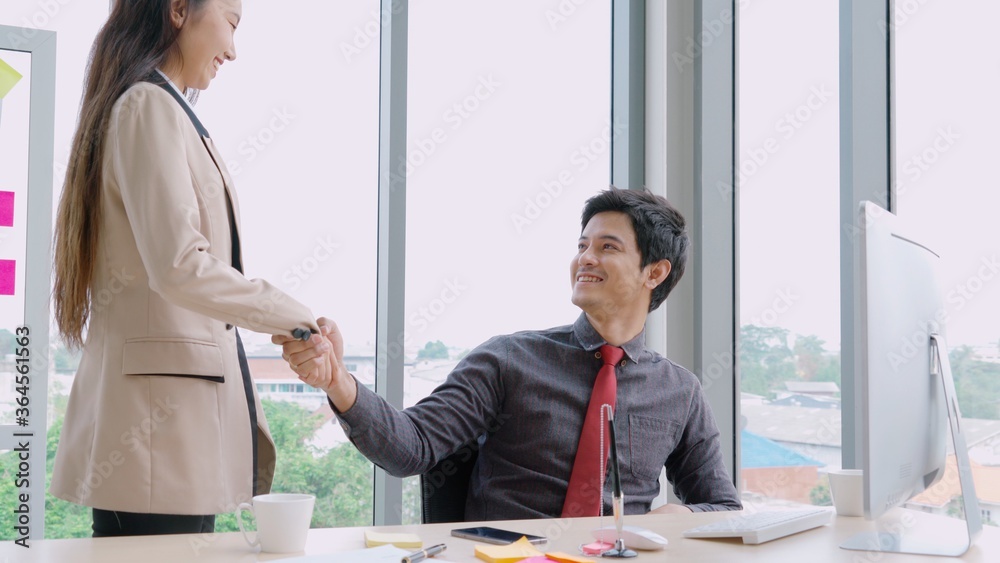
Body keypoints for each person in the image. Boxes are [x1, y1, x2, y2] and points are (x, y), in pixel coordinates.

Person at [278, 188, 742, 520]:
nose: (585, 258)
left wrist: (677, 518)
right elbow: (411, 447)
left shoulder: (678, 391)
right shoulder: (508, 360)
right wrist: (338, 381)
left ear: (654, 273)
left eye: (607, 247)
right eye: (582, 245)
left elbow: (723, 507)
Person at [49, 0, 317, 537]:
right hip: (159, 435)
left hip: (168, 431)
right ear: (178, 10)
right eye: (232, 23)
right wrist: (295, 316)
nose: (233, 51)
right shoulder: (148, 107)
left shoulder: (158, 108)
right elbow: (179, 265)